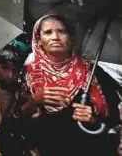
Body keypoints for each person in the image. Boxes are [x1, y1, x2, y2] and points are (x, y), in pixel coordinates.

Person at [21, 14, 121, 156]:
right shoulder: (28, 74)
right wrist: (34, 102)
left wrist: (93, 120)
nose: (55, 37)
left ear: (72, 39)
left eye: (61, 31)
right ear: (38, 41)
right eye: (48, 32)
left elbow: (114, 121)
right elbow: (14, 120)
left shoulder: (92, 72)